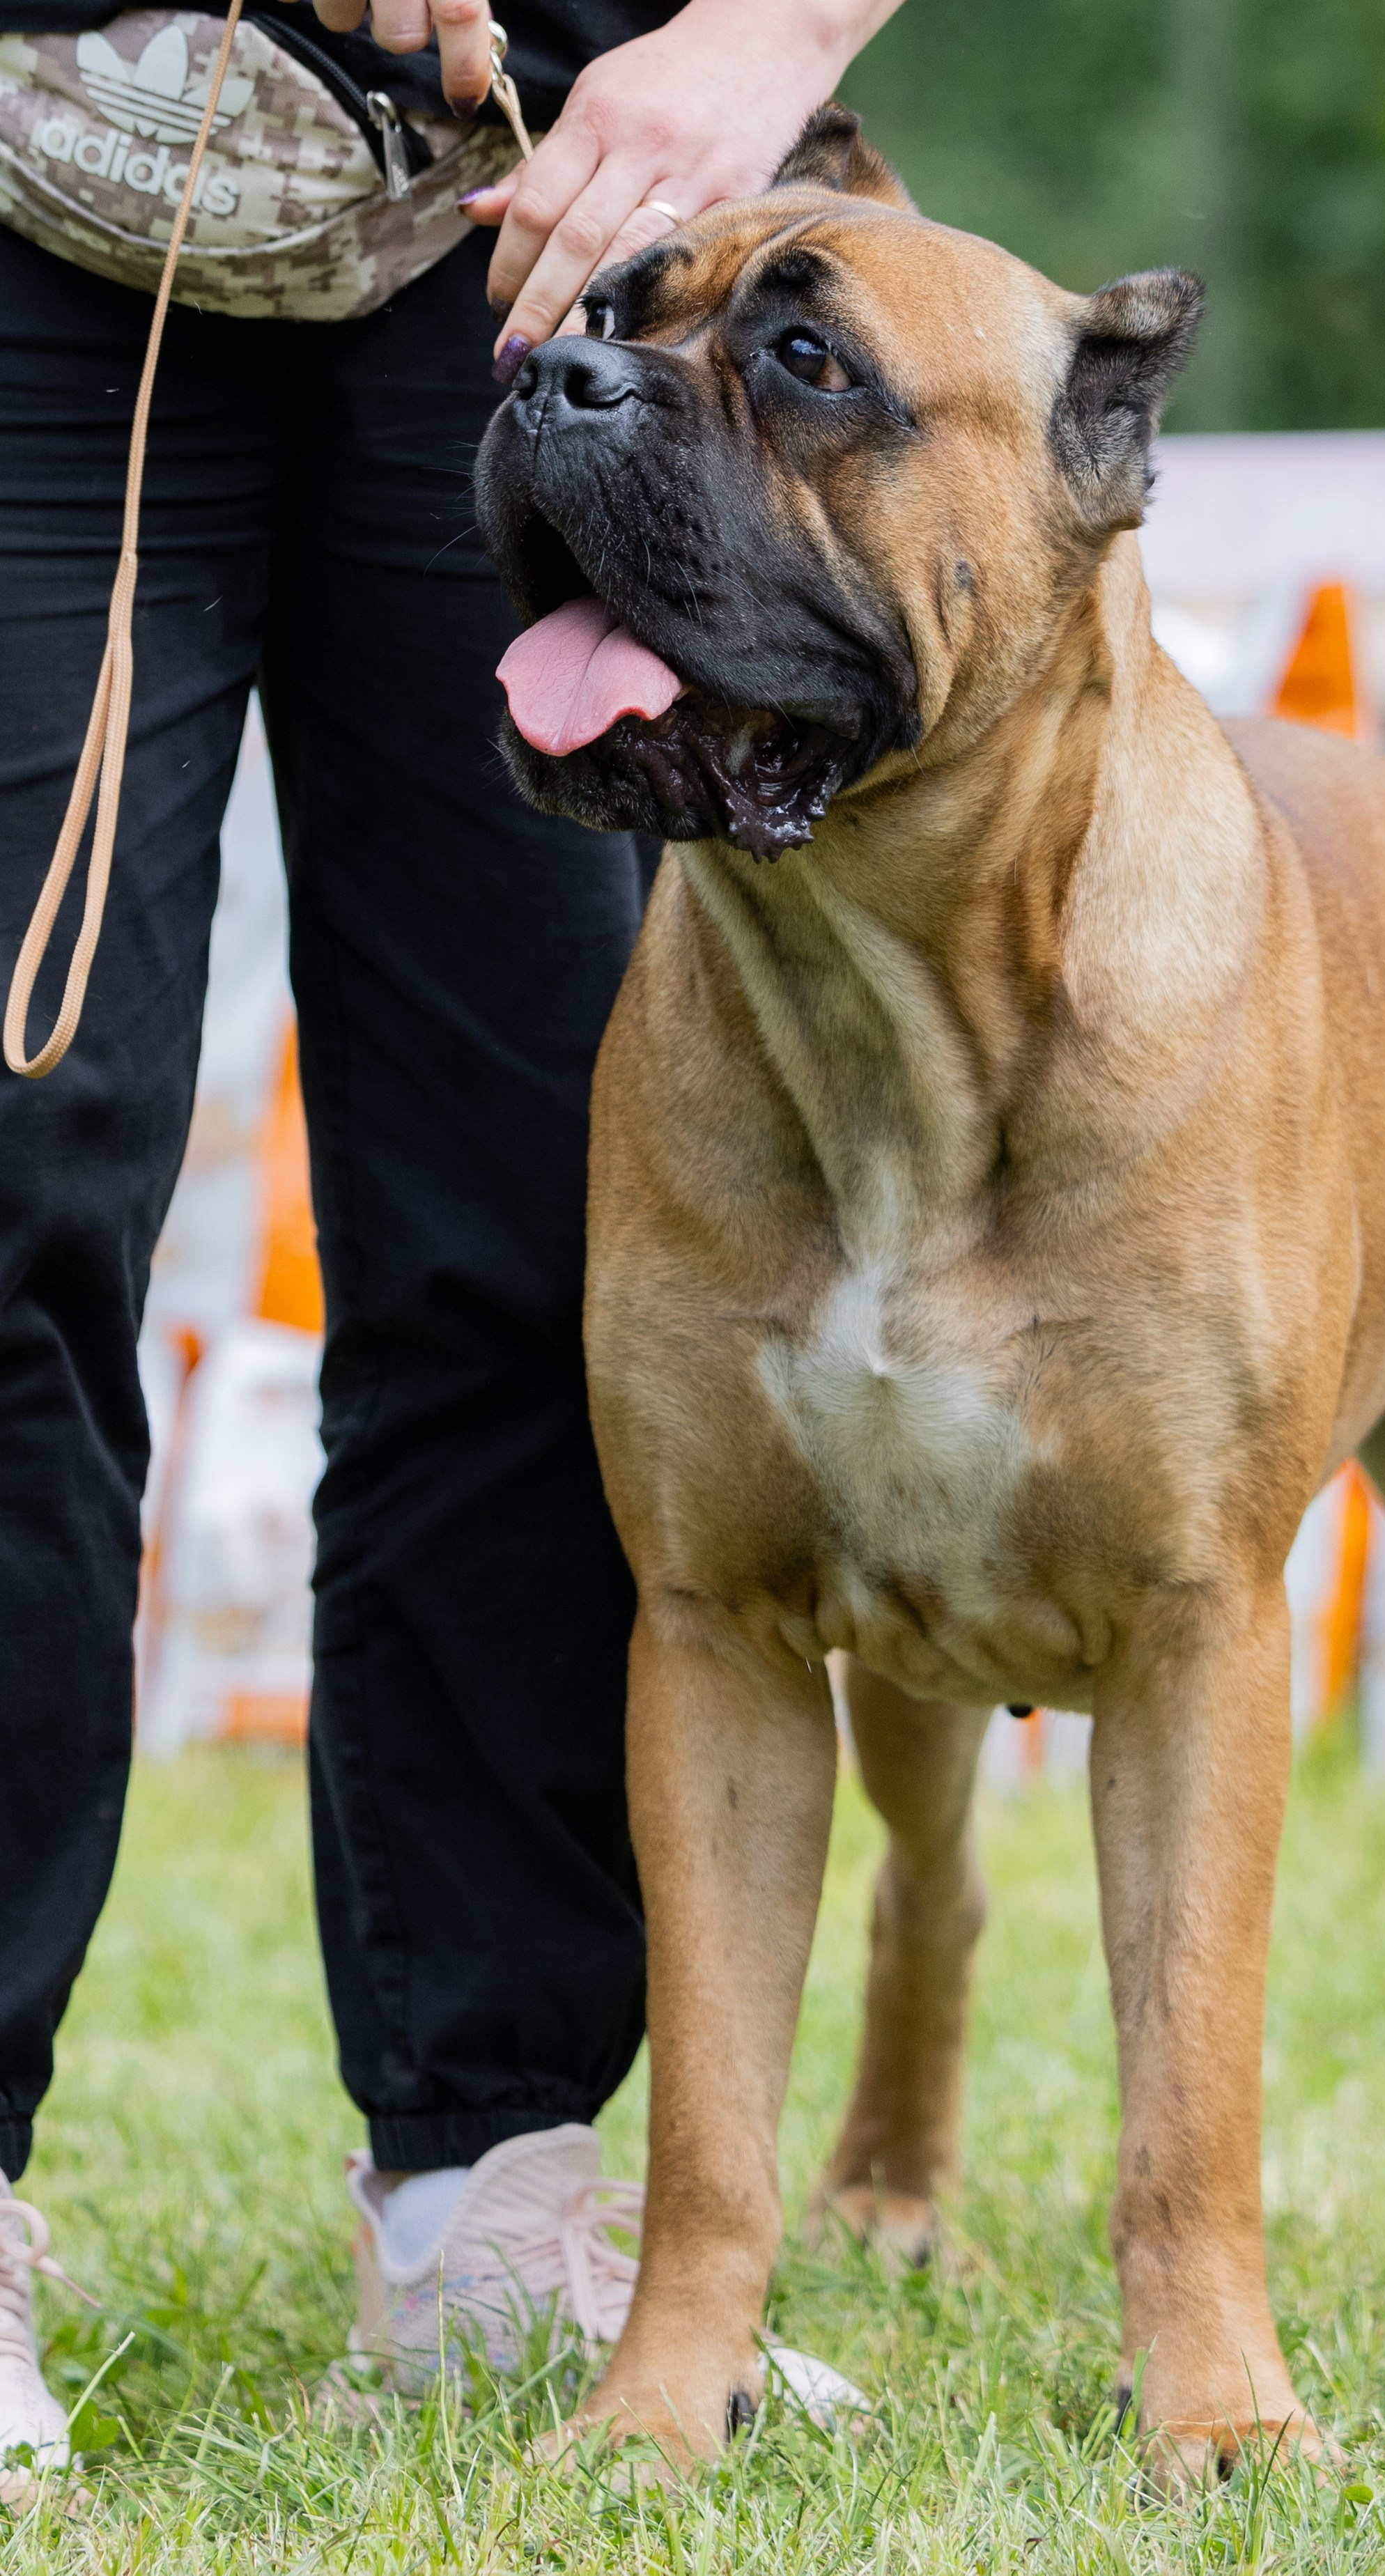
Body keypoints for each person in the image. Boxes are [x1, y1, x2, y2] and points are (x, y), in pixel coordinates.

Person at [0, 0, 903, 2481]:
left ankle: (491, 2188)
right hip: (43, 205)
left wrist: (757, 39)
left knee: (540, 1228)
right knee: (16, 1184)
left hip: (544, 220)